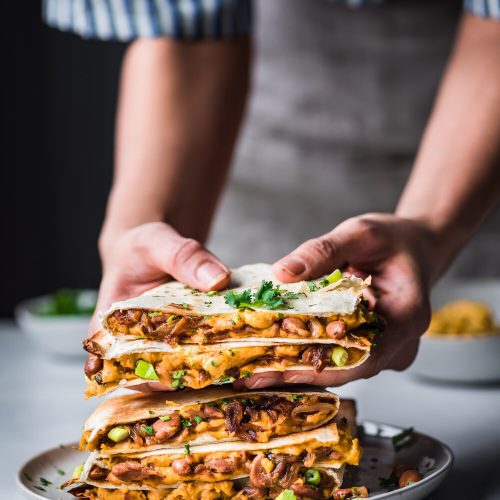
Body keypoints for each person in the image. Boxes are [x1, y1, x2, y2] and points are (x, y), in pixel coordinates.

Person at [44, 0, 500, 390]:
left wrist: (431, 229)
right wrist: (141, 231)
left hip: (474, 158)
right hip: (247, 149)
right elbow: (185, 25)